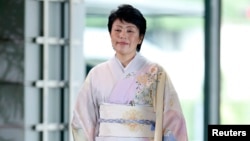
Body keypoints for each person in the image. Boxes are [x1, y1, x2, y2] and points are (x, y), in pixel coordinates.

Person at [71, 4, 188, 141]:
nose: (122, 35)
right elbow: (82, 120)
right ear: (110, 34)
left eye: (130, 31)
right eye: (118, 30)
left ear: (140, 38)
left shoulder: (156, 74)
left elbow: (173, 121)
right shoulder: (96, 74)